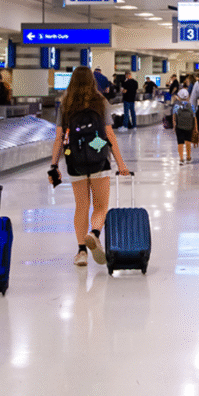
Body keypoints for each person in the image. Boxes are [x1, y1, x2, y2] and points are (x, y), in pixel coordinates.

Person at [48, 67, 130, 267]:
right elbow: (109, 135)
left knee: (81, 206)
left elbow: (59, 137)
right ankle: (93, 233)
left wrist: (53, 165)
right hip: (99, 158)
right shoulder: (100, 102)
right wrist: (121, 163)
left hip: (75, 161)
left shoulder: (66, 104)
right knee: (101, 206)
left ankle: (81, 252)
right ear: (92, 81)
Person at [172, 89, 196, 165]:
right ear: (188, 97)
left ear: (179, 97)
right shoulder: (191, 106)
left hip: (179, 127)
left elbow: (174, 117)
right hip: (189, 127)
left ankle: (181, 159)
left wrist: (174, 126)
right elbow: (194, 117)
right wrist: (195, 128)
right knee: (188, 141)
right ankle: (188, 157)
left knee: (180, 143)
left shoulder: (176, 106)